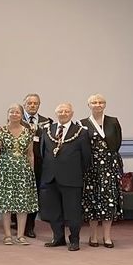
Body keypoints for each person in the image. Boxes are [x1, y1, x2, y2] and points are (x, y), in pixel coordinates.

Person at [40, 103, 91, 252]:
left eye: (66, 111)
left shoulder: (81, 132)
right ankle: (58, 237)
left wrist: (76, 172)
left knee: (73, 212)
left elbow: (86, 157)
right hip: (50, 177)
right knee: (53, 211)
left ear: (72, 113)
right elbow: (43, 153)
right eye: (60, 111)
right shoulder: (48, 130)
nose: (63, 113)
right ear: (56, 113)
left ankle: (74, 239)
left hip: (72, 178)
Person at [0, 104, 38, 245]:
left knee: (22, 204)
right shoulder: (1, 131)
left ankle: (20, 235)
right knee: (6, 204)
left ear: (21, 115)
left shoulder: (28, 132)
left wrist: (32, 172)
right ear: (8, 114)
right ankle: (7, 235)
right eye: (12, 112)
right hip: (5, 171)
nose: (15, 114)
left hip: (23, 171)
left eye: (18, 112)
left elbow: (30, 154)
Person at [80, 94, 122, 248]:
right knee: (92, 202)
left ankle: (107, 237)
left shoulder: (113, 121)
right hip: (91, 169)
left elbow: (117, 143)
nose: (97, 104)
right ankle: (93, 236)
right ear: (88, 105)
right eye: (94, 102)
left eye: (100, 102)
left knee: (108, 202)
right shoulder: (83, 123)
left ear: (105, 105)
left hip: (109, 168)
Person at [21, 93, 52, 238]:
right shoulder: (17, 120)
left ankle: (30, 226)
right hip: (21, 163)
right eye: (29, 103)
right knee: (22, 194)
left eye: (35, 103)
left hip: (41, 164)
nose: (32, 105)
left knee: (35, 194)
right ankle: (18, 222)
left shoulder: (47, 122)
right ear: (24, 104)